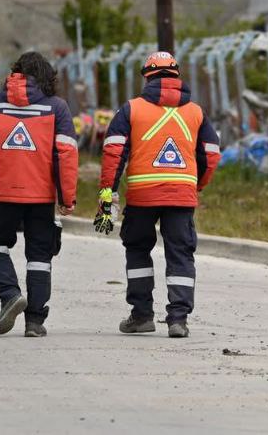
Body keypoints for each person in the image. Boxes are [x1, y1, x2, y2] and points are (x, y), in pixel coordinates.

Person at [95, 51, 221, 338]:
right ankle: (178, 320)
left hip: (141, 196)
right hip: (181, 195)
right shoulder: (197, 112)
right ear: (177, 75)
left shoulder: (131, 109)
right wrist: (196, 184)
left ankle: (141, 316)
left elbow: (113, 152)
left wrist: (107, 194)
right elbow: (211, 155)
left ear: (147, 76)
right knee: (180, 254)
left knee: (138, 250)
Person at [0, 51, 78, 337]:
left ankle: (9, 294)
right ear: (48, 78)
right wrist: (67, 198)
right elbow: (65, 155)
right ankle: (35, 322)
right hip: (41, 196)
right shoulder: (57, 108)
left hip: (3, 193)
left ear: (15, 73)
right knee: (40, 255)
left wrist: (1, 133)